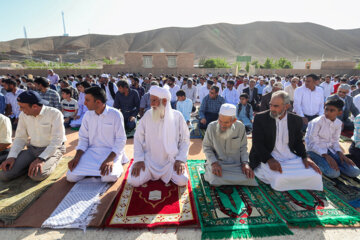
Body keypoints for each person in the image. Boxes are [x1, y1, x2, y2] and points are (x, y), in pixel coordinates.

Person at [250, 91, 322, 191]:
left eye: (276, 106)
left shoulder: (295, 120)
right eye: (271, 105)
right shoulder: (260, 118)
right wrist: (269, 160)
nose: (272, 109)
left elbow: (298, 142)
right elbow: (257, 143)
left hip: (290, 157)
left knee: (315, 175)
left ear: (286, 106)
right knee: (280, 179)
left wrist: (305, 157)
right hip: (267, 156)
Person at [127, 86, 190, 187]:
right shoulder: (147, 115)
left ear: (164, 101)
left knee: (182, 180)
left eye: (154, 100)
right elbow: (138, 138)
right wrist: (139, 160)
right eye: (150, 100)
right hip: (149, 161)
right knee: (134, 181)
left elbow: (185, 140)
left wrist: (180, 159)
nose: (151, 104)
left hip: (170, 162)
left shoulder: (177, 116)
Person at [0, 91, 66, 181]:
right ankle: (30, 164)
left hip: (53, 149)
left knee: (37, 176)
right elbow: (20, 138)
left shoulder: (54, 114)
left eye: (22, 107)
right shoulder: (23, 115)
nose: (20, 109)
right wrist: (12, 157)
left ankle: (55, 158)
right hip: (33, 149)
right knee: (5, 174)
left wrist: (41, 159)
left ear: (35, 106)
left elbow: (57, 140)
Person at [66, 87, 128, 182]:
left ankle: (116, 164)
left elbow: (121, 140)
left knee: (108, 177)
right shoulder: (87, 115)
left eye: (87, 100)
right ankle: (93, 171)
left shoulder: (115, 114)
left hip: (111, 152)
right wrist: (76, 157)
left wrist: (109, 160)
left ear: (98, 102)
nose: (84, 103)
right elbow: (83, 139)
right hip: (92, 153)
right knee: (71, 176)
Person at [203, 104, 257, 186]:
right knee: (215, 179)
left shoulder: (240, 127)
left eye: (226, 122)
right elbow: (207, 147)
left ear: (234, 120)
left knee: (250, 179)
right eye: (220, 121)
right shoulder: (211, 127)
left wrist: (245, 163)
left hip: (236, 165)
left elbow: (243, 147)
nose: (222, 125)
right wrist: (214, 163)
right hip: (218, 164)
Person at [306, 99, 360, 178]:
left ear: (339, 112)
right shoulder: (317, 122)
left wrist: (340, 154)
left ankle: (335, 166)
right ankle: (317, 161)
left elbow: (335, 141)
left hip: (330, 150)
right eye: (326, 109)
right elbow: (312, 144)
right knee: (333, 174)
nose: (327, 112)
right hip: (314, 151)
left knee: (355, 171)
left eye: (332, 110)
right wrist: (327, 156)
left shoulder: (338, 123)